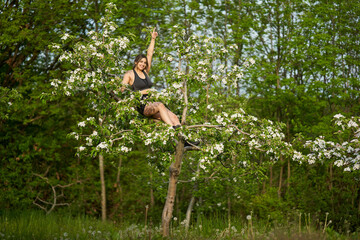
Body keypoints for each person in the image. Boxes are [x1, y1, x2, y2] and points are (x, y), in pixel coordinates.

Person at [122, 28, 181, 129]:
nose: (143, 64)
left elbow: (149, 54)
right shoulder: (130, 74)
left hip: (152, 103)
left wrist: (153, 39)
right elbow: (123, 90)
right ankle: (172, 129)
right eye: (141, 62)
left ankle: (185, 142)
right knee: (160, 105)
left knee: (174, 117)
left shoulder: (145, 72)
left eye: (144, 63)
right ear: (136, 62)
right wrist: (144, 92)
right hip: (142, 106)